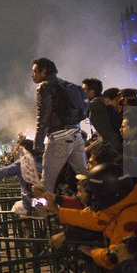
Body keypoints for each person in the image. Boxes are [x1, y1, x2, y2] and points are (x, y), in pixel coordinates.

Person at [31, 57, 87, 194]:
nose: (32, 75)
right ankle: (96, 209)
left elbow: (43, 118)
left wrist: (37, 147)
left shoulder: (44, 87)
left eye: (34, 71)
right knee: (85, 178)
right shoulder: (68, 85)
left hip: (59, 139)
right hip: (76, 135)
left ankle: (45, 213)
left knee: (46, 184)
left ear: (43, 72)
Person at [83, 78, 121, 151]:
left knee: (86, 152)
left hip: (110, 143)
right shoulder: (99, 101)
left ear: (92, 92)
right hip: (107, 140)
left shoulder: (96, 102)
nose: (81, 92)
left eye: (84, 89)